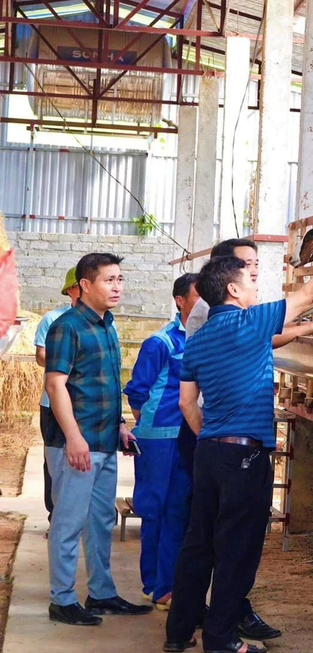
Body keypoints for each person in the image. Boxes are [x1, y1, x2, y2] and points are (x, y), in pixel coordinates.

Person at [171, 238, 313, 644]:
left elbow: (186, 402)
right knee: (237, 551)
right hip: (244, 456)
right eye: (249, 278)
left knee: (199, 545)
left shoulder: (197, 340)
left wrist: (212, 439)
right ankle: (222, 640)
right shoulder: (251, 322)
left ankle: (178, 634)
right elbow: (312, 292)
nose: (254, 284)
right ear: (232, 289)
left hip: (209, 450)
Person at [43, 253, 151, 625]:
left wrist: (120, 424)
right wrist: (74, 438)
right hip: (76, 443)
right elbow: (56, 384)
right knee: (68, 522)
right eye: (109, 280)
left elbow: (104, 383)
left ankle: (101, 594)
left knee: (101, 521)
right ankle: (62, 599)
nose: (117, 286)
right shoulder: (67, 326)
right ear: (85, 285)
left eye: (120, 279)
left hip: (105, 440)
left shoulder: (108, 325)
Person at [125, 273, 199, 610]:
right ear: (180, 301)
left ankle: (167, 583)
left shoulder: (204, 339)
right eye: (198, 297)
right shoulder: (161, 343)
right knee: (155, 508)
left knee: (178, 510)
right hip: (159, 439)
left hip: (190, 436)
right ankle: (154, 584)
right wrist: (149, 427)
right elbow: (138, 393)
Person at [34, 267, 81, 528]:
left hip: (83, 405)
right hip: (52, 404)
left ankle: (77, 517)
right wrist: (65, 361)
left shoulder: (100, 321)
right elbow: (40, 355)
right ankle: (56, 517)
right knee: (54, 460)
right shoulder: (52, 319)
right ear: (72, 289)